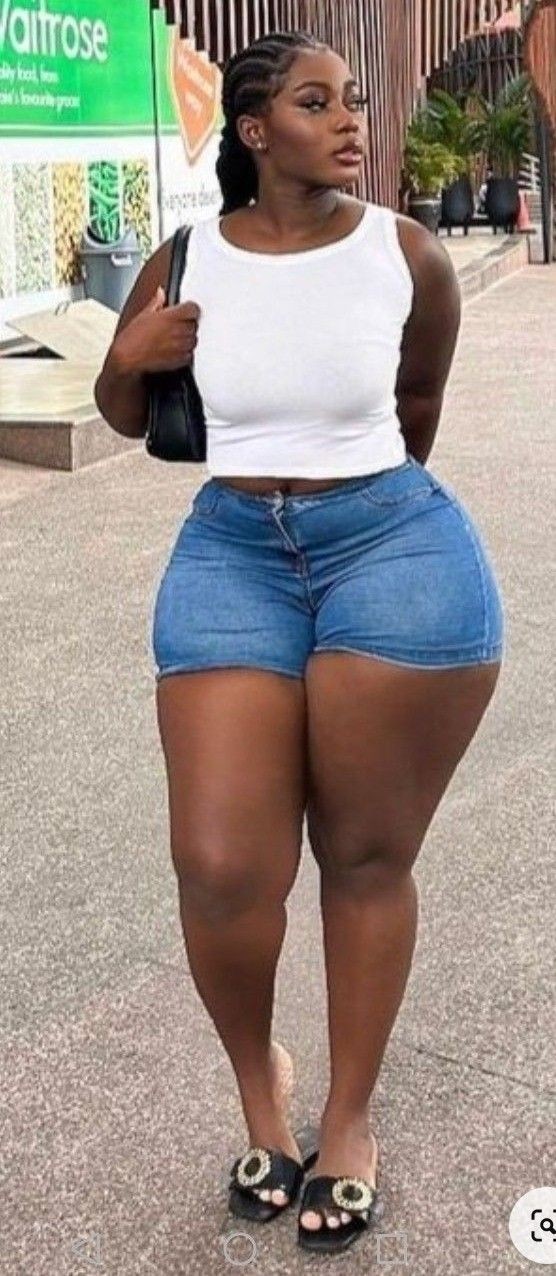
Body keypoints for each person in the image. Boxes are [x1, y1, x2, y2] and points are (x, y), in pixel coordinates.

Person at [94, 31, 506, 1256]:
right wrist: (127, 356)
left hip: (391, 548)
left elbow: (416, 407)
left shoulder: (406, 253)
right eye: (316, 103)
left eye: (353, 101)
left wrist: (354, 502)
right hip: (232, 551)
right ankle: (264, 1095)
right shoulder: (187, 256)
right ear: (255, 130)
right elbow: (126, 411)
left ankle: (350, 1118)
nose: (349, 122)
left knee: (365, 855)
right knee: (222, 864)